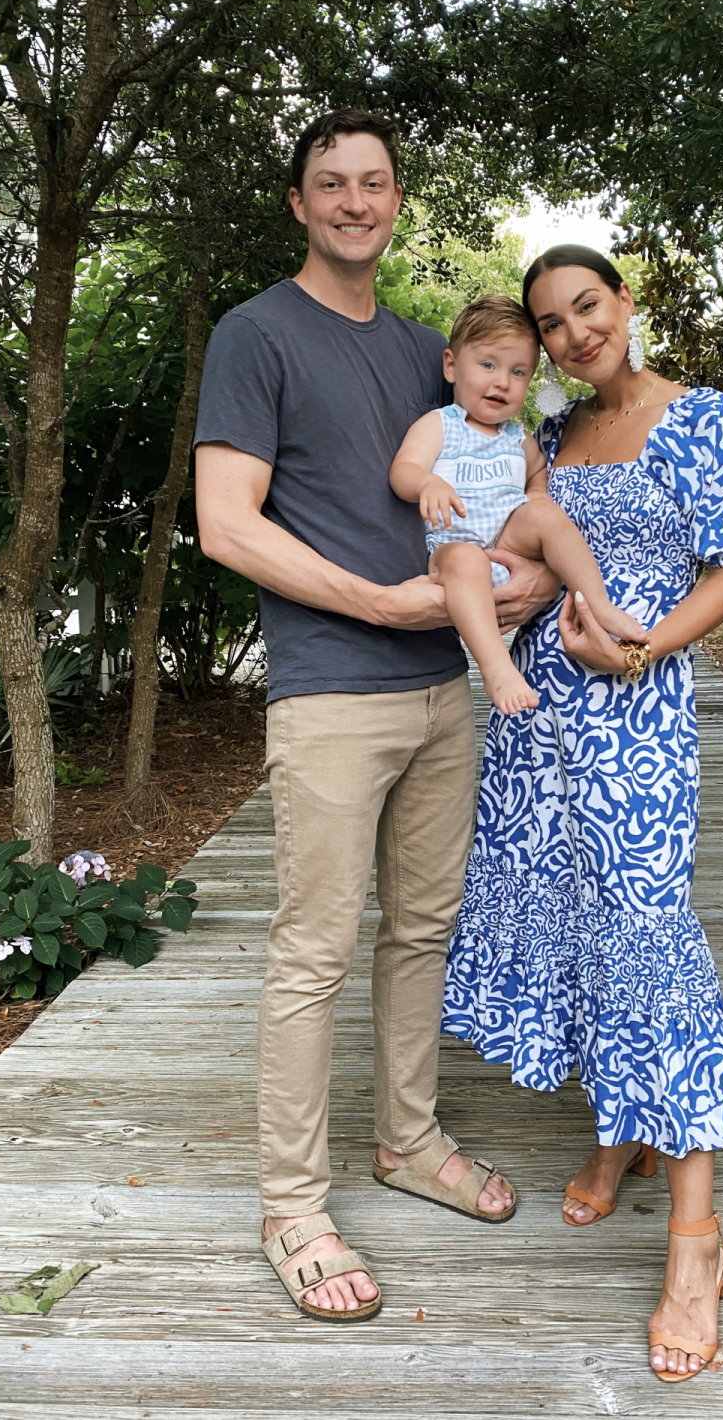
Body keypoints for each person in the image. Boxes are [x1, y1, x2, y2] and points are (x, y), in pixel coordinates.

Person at [193, 110, 557, 1323]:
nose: (355, 201)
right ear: (299, 203)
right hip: (331, 693)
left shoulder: (424, 352)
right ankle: (293, 1204)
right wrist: (387, 605)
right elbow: (227, 524)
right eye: (330, 184)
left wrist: (531, 584)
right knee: (315, 952)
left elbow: (506, 494)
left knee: (422, 933)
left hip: (443, 692)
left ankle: (407, 1142)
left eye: (375, 183)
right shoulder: (256, 336)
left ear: (397, 199)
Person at [441, 245, 723, 1379]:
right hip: (537, 729)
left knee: (648, 939)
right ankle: (618, 1131)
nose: (578, 333)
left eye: (590, 306)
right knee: (580, 929)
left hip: (635, 724)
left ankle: (697, 1242)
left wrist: (647, 645)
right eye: (554, 323)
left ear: (624, 302)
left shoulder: (701, 417)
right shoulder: (547, 439)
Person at [390, 294, 646, 715]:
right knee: (466, 560)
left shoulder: (517, 437)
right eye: (487, 365)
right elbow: (402, 471)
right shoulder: (441, 424)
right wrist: (426, 482)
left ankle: (597, 603)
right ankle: (497, 668)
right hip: (453, 547)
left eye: (518, 371)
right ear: (452, 366)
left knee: (546, 514)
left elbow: (537, 472)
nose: (502, 381)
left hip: (509, 540)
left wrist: (538, 497)